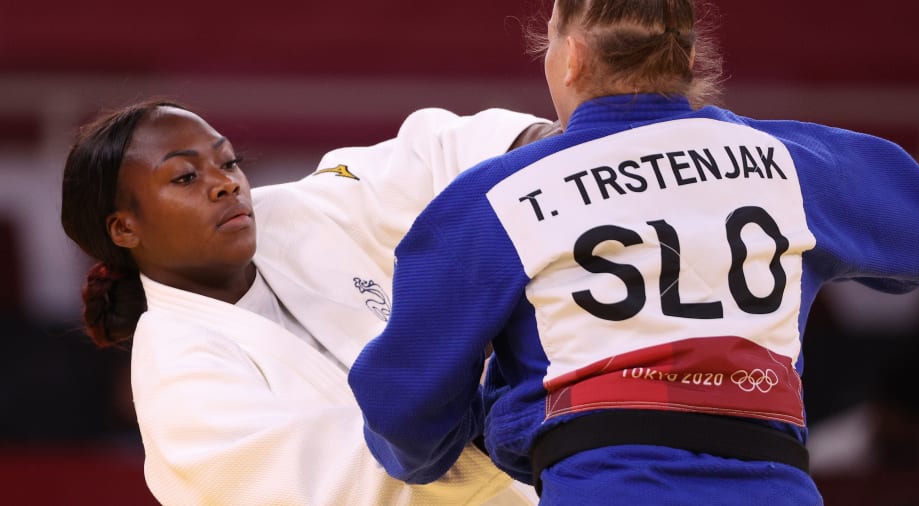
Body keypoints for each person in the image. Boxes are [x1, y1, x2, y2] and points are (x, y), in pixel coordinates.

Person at [347, 1, 919, 504]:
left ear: (572, 58)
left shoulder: (495, 197)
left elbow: (404, 413)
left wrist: (493, 411)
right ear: (689, 59)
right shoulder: (785, 164)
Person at [60, 99, 555, 505]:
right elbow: (329, 486)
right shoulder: (178, 375)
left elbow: (426, 159)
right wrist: (493, 404)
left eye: (227, 161)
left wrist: (556, 147)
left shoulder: (286, 212)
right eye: (186, 178)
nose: (227, 183)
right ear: (124, 228)